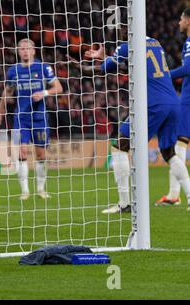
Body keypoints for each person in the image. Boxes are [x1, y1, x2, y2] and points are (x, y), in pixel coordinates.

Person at [78, 37, 190, 213]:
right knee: (169, 152)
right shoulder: (155, 43)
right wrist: (107, 57)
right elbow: (130, 65)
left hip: (153, 104)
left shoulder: (127, 46)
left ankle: (124, 204)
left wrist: (79, 67)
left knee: (119, 146)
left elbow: (104, 69)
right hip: (172, 101)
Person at [0, 38, 63, 200]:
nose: (25, 51)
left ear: (33, 51)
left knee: (41, 155)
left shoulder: (43, 67)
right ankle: (25, 191)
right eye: (22, 49)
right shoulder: (13, 71)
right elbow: (7, 92)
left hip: (39, 117)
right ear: (18, 52)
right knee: (22, 152)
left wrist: (44, 93)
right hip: (21, 117)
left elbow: (58, 87)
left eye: (28, 48)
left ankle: (40, 189)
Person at [155, 8, 190, 206]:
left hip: (188, 98)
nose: (178, 22)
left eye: (181, 19)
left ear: (188, 20)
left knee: (178, 144)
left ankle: (174, 194)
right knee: (181, 141)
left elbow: (188, 68)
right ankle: (173, 194)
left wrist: (163, 74)